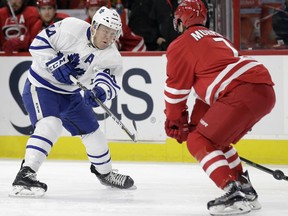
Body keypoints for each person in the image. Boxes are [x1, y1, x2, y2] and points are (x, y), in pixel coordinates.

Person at [9, 6, 135, 198]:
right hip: (42, 86)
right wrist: (54, 62)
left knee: (93, 132)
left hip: (71, 95)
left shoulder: (111, 55)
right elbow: (38, 43)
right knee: (50, 124)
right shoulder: (70, 27)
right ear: (94, 26)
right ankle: (25, 174)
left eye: (113, 33)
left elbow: (109, 80)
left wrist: (100, 92)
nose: (108, 37)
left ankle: (105, 173)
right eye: (105, 30)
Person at [164, 0, 275, 215]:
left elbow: (176, 92)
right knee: (213, 139)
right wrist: (193, 124)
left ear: (180, 20)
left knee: (198, 140)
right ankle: (245, 190)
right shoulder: (218, 38)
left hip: (241, 91)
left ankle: (232, 193)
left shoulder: (180, 44)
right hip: (263, 90)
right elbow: (209, 94)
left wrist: (175, 122)